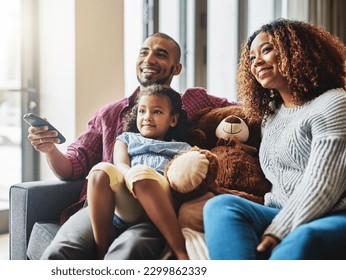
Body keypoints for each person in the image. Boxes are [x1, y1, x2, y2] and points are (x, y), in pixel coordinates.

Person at [28, 32, 237, 260]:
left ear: (176, 68)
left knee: (126, 255)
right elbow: (72, 167)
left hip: (154, 208)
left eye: (160, 54)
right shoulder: (109, 114)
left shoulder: (194, 101)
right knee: (59, 253)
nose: (148, 59)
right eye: (144, 52)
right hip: (102, 205)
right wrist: (49, 148)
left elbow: (243, 113)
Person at [203, 18, 346, 260]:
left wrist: (279, 231)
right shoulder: (271, 115)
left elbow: (324, 185)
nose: (256, 62)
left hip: (330, 213)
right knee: (220, 207)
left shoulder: (334, 103)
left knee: (301, 239)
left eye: (266, 50)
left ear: (296, 52)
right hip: (278, 211)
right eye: (251, 58)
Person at [88, 84, 192, 260]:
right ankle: (101, 253)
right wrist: (130, 177)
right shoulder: (126, 139)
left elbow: (186, 175)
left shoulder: (183, 148)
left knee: (141, 174)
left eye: (157, 112)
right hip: (128, 199)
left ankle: (181, 252)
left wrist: (138, 175)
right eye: (142, 111)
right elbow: (120, 164)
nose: (147, 117)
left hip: (161, 195)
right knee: (99, 172)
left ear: (172, 120)